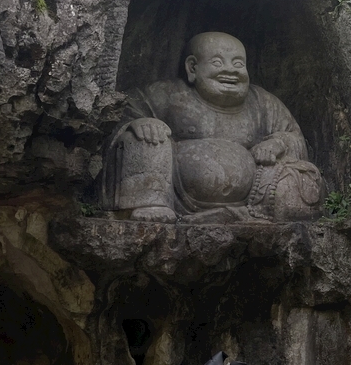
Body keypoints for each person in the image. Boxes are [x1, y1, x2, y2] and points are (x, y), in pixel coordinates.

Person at [102, 32, 325, 222]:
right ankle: (150, 203)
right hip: (177, 194)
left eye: (238, 64)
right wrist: (140, 123)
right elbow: (123, 115)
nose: (231, 70)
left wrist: (277, 143)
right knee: (141, 137)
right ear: (192, 67)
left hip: (254, 196)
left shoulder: (264, 102)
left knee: (300, 177)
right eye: (218, 63)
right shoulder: (167, 94)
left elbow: (295, 138)